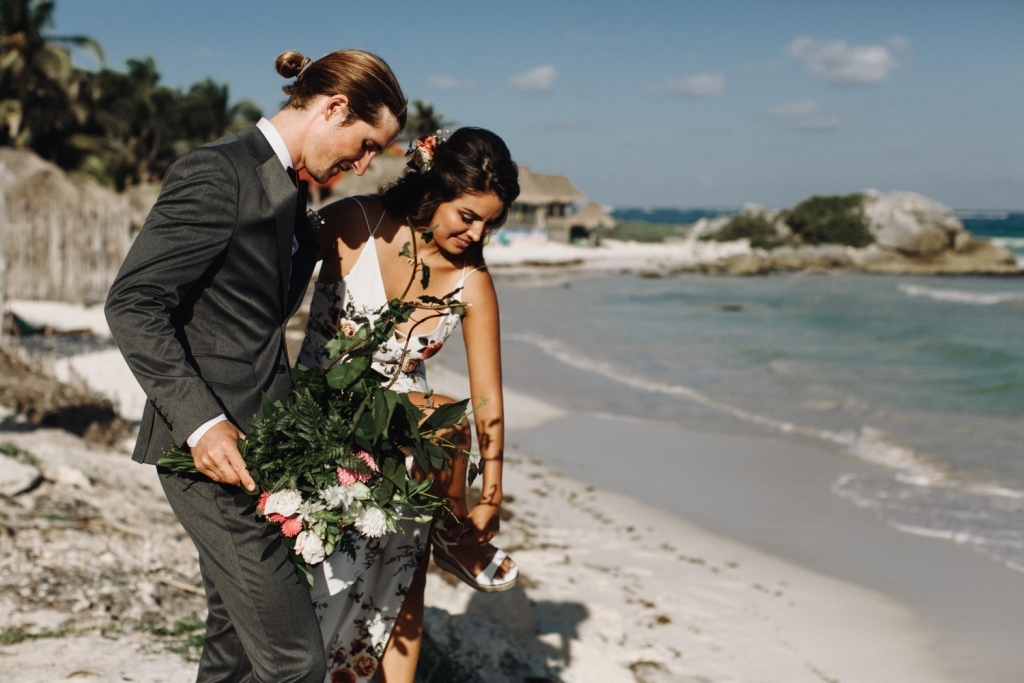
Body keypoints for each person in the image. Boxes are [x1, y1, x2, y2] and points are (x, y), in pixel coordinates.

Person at [104, 50, 406, 683]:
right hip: (207, 453)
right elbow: (134, 302)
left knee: (233, 644)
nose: (364, 163)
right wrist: (202, 424)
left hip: (263, 444)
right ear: (334, 107)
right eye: (365, 143)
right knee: (295, 661)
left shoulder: (290, 192)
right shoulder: (219, 172)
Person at [297, 127, 520, 682]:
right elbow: (267, 287)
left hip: (409, 442)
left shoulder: (473, 280)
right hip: (321, 412)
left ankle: (448, 530)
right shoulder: (354, 222)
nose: (477, 233)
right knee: (320, 595)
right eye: (467, 215)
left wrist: (491, 494)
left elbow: (489, 396)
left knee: (400, 579)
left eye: (490, 223)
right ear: (433, 190)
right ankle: (450, 530)